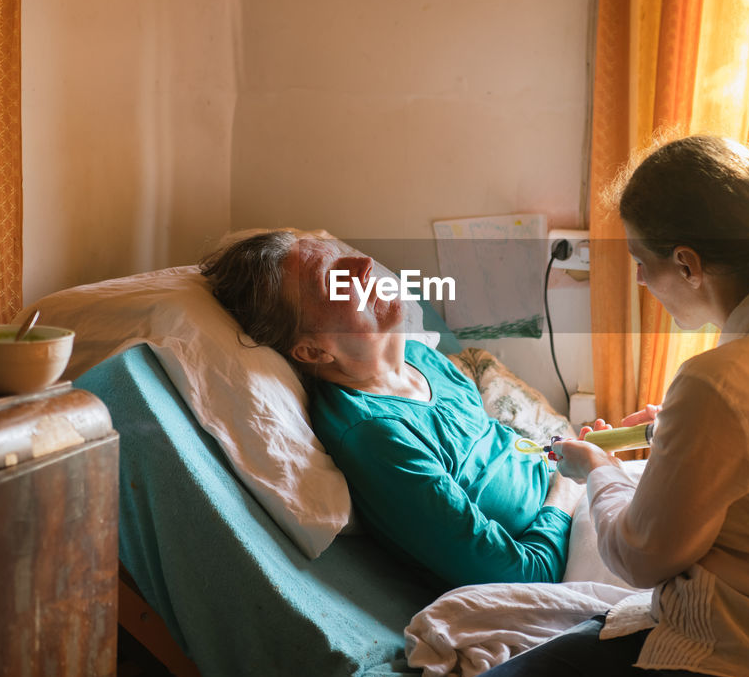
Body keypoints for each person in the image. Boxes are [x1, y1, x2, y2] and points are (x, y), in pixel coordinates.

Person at [428, 135, 749, 677]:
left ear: (687, 263)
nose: (638, 282)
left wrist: (599, 470)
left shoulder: (719, 382)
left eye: (639, 262)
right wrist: (670, 431)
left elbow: (642, 557)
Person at [201, 230, 582, 587]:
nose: (365, 264)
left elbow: (504, 456)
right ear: (314, 350)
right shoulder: (376, 435)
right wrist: (567, 490)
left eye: (345, 257)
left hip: (571, 500)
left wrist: (569, 456)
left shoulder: (422, 359)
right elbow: (524, 575)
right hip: (563, 548)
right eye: (331, 277)